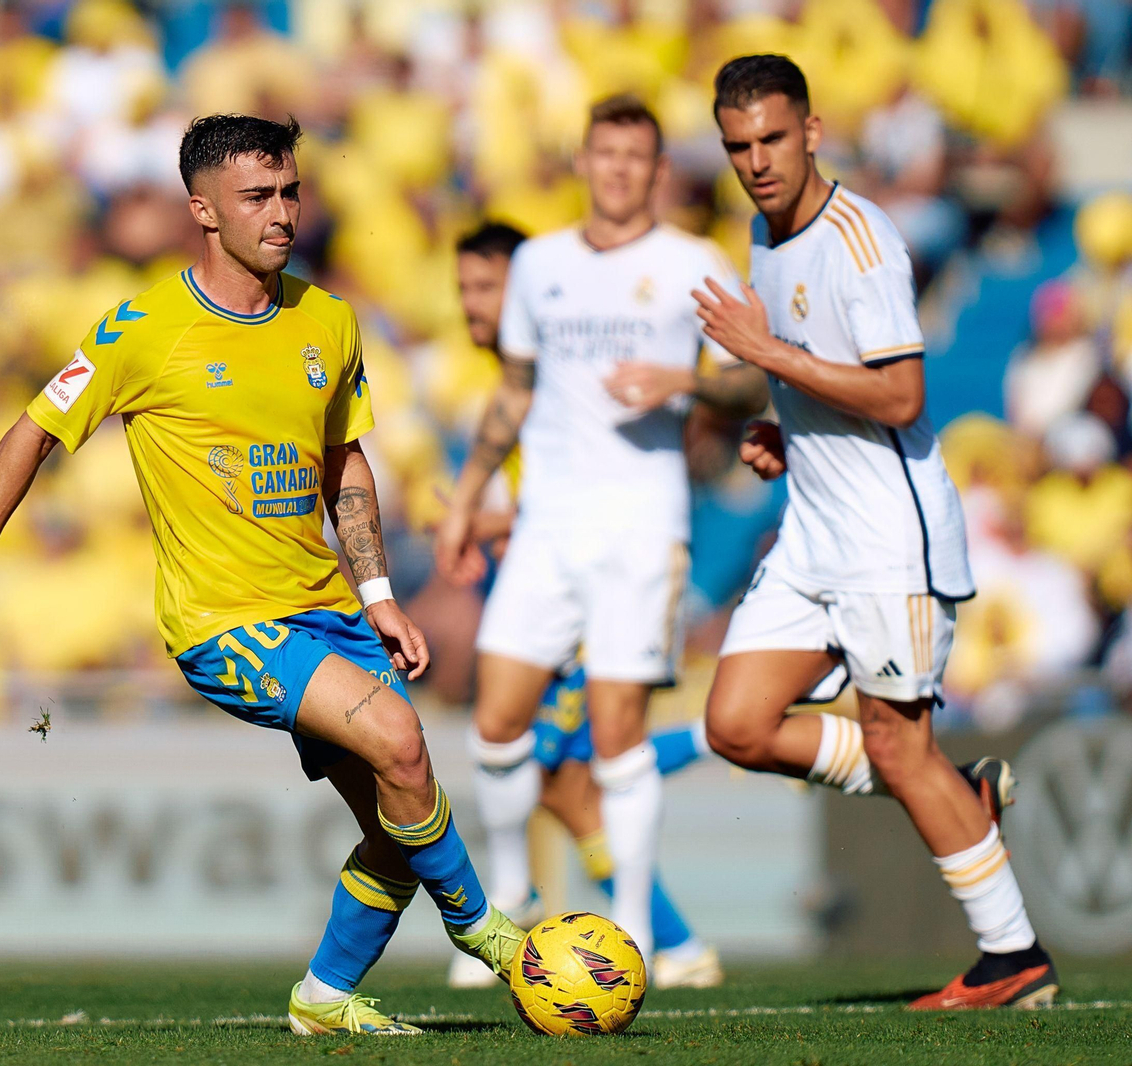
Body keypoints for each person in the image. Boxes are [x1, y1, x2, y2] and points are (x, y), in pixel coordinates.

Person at [0, 114, 522, 1037]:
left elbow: (345, 462)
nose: (282, 213)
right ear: (203, 210)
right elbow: (32, 431)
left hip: (329, 609)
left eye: (290, 192)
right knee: (403, 743)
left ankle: (324, 998)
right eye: (257, 197)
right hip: (226, 622)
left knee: (400, 824)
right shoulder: (142, 329)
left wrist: (378, 596)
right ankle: (492, 937)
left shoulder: (328, 319)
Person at [690, 54, 1056, 1009]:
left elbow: (900, 395)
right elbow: (825, 374)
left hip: (889, 541)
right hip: (813, 535)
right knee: (736, 724)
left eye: (774, 138)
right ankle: (957, 793)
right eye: (738, 146)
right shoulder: (766, 234)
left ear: (812, 132)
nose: (757, 161)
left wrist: (767, 355)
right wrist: (785, 429)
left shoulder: (860, 240)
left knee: (898, 747)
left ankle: (1014, 957)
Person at [434, 96, 771, 958]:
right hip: (548, 526)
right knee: (496, 722)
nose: (618, 169)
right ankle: (511, 893)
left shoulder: (692, 262)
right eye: (605, 153)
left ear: (657, 172)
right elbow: (515, 389)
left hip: (640, 525)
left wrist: (684, 382)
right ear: (582, 161)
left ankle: (633, 928)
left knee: (616, 736)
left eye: (635, 157)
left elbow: (752, 379)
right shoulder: (539, 263)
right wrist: (467, 495)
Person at [442, 222, 722, 991]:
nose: (471, 305)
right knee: (565, 783)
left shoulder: (552, 379)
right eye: (462, 288)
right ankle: (675, 943)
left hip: (595, 594)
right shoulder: (506, 391)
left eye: (485, 288)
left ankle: (713, 745)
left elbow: (592, 486)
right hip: (543, 592)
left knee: (580, 765)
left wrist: (490, 521)